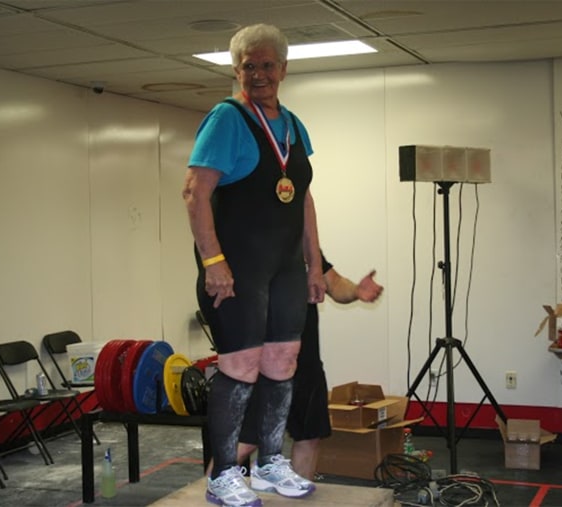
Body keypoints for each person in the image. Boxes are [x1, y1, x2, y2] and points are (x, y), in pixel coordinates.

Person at [182, 23, 325, 507]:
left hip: (285, 267)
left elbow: (302, 198)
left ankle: (268, 463)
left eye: (267, 65)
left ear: (283, 69)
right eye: (249, 66)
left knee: (282, 363)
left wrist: (314, 265)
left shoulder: (293, 124)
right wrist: (212, 261)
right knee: (240, 368)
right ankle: (223, 475)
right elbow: (194, 193)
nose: (259, 74)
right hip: (237, 268)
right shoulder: (226, 119)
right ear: (236, 70)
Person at [238, 253, 383, 479]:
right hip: (263, 358)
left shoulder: (305, 245)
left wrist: (356, 291)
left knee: (310, 434)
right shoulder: (256, 238)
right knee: (246, 441)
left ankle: (299, 498)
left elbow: (334, 283)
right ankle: (202, 497)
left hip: (305, 358)